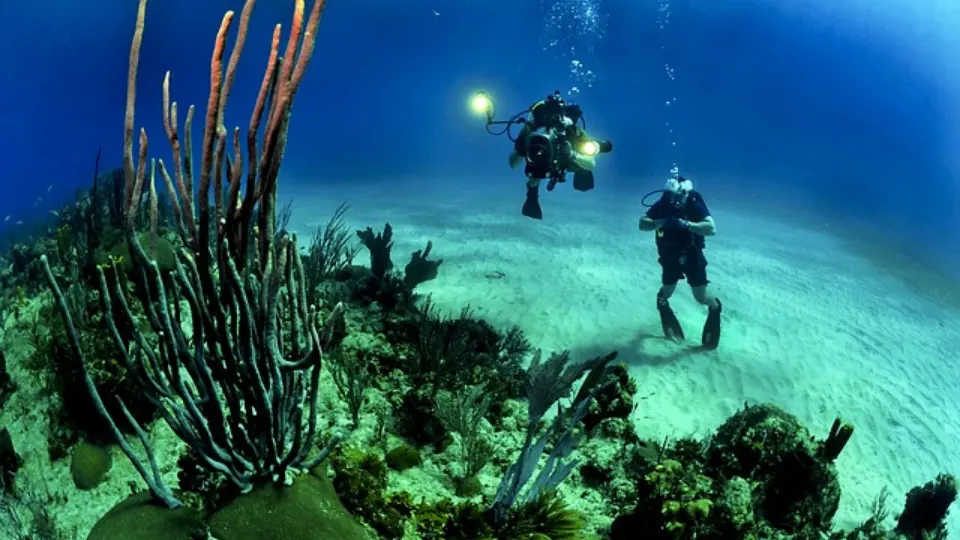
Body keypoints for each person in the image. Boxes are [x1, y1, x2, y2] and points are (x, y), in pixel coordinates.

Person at [638, 173, 723, 349]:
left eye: (681, 196)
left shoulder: (694, 202)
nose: (676, 201)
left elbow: (711, 228)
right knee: (666, 293)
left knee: (701, 297)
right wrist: (661, 222)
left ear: (686, 192)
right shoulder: (664, 202)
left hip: (692, 254)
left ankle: (715, 308)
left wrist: (687, 224)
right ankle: (663, 306)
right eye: (673, 196)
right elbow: (642, 223)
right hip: (670, 254)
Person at [508, 92, 599, 219]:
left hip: (568, 161)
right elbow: (513, 164)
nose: (552, 119)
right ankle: (532, 196)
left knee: (584, 168)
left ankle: (581, 174)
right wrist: (520, 148)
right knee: (534, 179)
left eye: (557, 114)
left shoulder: (573, 131)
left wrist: (573, 155)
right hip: (543, 165)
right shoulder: (531, 130)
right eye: (547, 114)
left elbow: (591, 164)